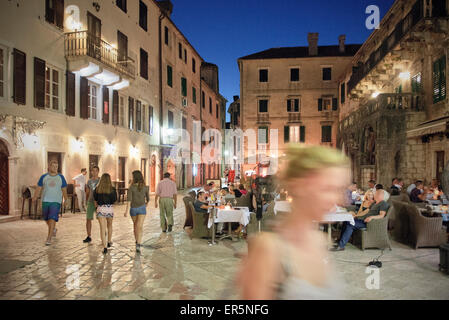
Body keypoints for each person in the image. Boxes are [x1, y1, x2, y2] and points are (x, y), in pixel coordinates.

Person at [236, 145, 348, 299]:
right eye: (327, 188)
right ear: (300, 186)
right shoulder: (269, 250)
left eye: (339, 189)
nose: (339, 200)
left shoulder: (319, 240)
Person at [33, 160, 68, 246]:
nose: (55, 168)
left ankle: (49, 238)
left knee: (52, 218)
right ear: (49, 167)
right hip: (45, 200)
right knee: (46, 218)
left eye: (56, 167)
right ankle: (54, 229)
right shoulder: (44, 177)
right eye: (53, 166)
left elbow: (64, 189)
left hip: (56, 201)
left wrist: (66, 199)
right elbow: (39, 187)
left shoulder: (61, 177)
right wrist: (35, 197)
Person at [125, 171, 150, 253]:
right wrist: (146, 203)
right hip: (142, 208)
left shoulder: (131, 187)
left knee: (136, 226)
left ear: (135, 177)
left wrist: (126, 211)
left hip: (133, 209)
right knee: (139, 226)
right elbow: (148, 198)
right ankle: (138, 242)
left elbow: (129, 200)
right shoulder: (145, 187)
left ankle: (137, 242)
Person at [93, 173, 117, 254]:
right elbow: (114, 200)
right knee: (109, 225)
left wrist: (96, 209)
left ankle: (104, 247)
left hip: (101, 209)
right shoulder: (112, 189)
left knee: (102, 229)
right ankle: (109, 241)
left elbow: (95, 200)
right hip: (109, 208)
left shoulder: (97, 189)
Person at [83, 166, 100, 243]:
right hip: (90, 201)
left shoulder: (100, 180)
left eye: (96, 170)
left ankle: (104, 234)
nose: (94, 172)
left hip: (99, 202)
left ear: (98, 171)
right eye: (93, 171)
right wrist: (86, 200)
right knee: (88, 219)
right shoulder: (89, 181)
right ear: (91, 172)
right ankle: (89, 236)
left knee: (100, 219)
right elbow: (87, 191)